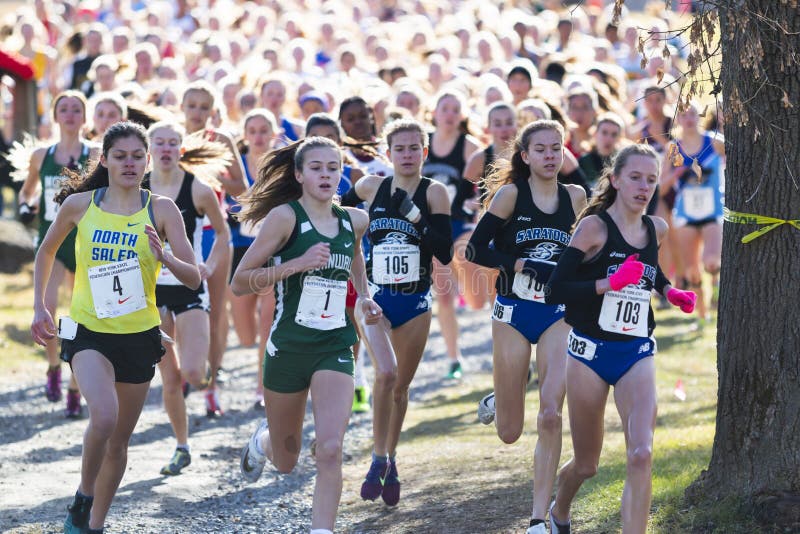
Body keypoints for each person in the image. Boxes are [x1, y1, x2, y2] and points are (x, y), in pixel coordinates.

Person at [30, 121, 201, 533]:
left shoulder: (161, 209)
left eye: (136, 157)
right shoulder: (81, 205)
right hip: (89, 331)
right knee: (103, 417)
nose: (129, 163)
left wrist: (166, 257)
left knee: (119, 442)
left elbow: (193, 277)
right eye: (120, 156)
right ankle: (83, 495)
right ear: (103, 160)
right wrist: (39, 306)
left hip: (140, 336)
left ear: (146, 163)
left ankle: (96, 523)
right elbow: (46, 251)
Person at [233, 136, 383, 534]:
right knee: (286, 459)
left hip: (334, 345)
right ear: (299, 175)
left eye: (333, 168)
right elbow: (239, 282)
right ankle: (263, 441)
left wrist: (364, 297)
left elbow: (353, 255)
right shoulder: (284, 218)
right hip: (288, 348)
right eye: (316, 168)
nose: (326, 175)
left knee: (331, 449)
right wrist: (295, 264)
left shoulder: (354, 219)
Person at [545, 144, 697, 534]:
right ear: (615, 180)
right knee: (586, 464)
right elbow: (556, 289)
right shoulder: (593, 227)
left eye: (651, 179)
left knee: (642, 453)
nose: (644, 186)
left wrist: (667, 290)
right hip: (588, 354)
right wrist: (608, 283)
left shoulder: (655, 229)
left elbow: (647, 271)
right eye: (635, 177)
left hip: (636, 351)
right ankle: (559, 510)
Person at [465, 120, 587, 533]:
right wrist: (518, 263)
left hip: (558, 314)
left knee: (551, 414)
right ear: (526, 156)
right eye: (542, 150)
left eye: (557, 148)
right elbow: (475, 248)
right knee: (510, 431)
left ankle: (539, 518)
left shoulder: (576, 197)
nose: (550, 156)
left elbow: (588, 251)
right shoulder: (510, 196)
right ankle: (502, 398)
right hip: (514, 312)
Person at [340, 119, 453, 506]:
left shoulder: (435, 193)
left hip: (416, 302)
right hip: (374, 298)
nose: (407, 155)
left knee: (399, 388)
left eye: (414, 148)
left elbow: (445, 252)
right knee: (384, 375)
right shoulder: (372, 186)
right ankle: (377, 459)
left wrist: (416, 218)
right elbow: (338, 216)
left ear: (425, 151)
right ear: (388, 154)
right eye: (399, 149)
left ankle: (391, 458)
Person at [142, 121, 231, 475]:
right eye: (159, 142)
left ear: (181, 148)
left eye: (172, 143)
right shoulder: (137, 187)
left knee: (193, 373)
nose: (165, 148)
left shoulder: (198, 189)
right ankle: (181, 446)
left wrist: (208, 266)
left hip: (190, 286)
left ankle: (208, 374)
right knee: (170, 375)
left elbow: (223, 234)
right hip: (152, 292)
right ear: (150, 149)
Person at [19, 90, 98, 418]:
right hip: (51, 239)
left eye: (76, 109)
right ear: (55, 116)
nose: (69, 114)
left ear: (84, 117)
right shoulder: (42, 155)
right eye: (63, 109)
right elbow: (27, 190)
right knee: (49, 308)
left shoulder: (94, 153)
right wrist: (26, 206)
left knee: (79, 314)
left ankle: (75, 384)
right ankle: (53, 365)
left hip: (82, 241)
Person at [179, 81, 247, 416]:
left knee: (215, 313)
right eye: (191, 105)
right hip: (178, 233)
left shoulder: (221, 140)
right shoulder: (169, 140)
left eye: (204, 107)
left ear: (213, 110)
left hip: (214, 233)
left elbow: (243, 189)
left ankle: (212, 384)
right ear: (182, 107)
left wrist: (211, 178)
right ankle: (185, 371)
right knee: (178, 309)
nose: (197, 113)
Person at [304, 113, 370, 413]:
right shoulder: (302, 177)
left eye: (331, 138)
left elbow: (364, 220)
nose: (325, 144)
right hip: (311, 267)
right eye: (317, 138)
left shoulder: (353, 175)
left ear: (341, 142)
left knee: (351, 323)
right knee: (314, 324)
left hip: (346, 259)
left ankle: (353, 379)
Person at [422, 90, 481, 379]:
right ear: (434, 112)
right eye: (444, 108)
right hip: (432, 225)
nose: (449, 114)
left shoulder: (468, 147)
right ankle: (453, 358)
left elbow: (486, 180)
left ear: (462, 115)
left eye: (455, 109)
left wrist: (478, 200)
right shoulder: (423, 142)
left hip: (460, 223)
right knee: (444, 297)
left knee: (474, 279)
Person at [228, 108, 278, 408]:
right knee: (244, 330)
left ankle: (263, 386)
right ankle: (256, 363)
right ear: (245, 135)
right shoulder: (236, 167)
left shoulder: (282, 166)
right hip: (242, 248)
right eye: (253, 130)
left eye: (264, 130)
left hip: (273, 249)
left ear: (273, 133)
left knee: (267, 323)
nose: (258, 136)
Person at [661, 102, 724, 321]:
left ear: (699, 116)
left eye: (692, 114)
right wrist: (678, 173)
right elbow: (662, 187)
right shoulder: (673, 149)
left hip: (712, 210)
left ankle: (716, 295)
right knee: (691, 270)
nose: (688, 119)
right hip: (686, 214)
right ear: (677, 119)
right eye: (683, 115)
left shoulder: (715, 142)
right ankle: (702, 315)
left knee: (712, 261)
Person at [462, 101, 518, 310]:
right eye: (498, 123)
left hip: (521, 227)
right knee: (497, 291)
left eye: (509, 122)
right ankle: (498, 333)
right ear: (488, 128)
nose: (504, 128)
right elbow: (461, 201)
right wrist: (472, 205)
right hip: (491, 229)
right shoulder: (479, 158)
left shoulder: (526, 157)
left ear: (517, 125)